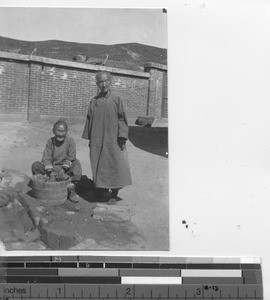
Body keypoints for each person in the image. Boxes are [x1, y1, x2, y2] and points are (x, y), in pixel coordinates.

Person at [82, 71, 132, 204]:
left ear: (110, 82)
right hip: (97, 139)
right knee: (98, 164)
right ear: (97, 84)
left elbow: (122, 118)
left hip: (113, 139)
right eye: (100, 82)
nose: (103, 84)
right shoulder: (94, 101)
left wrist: (122, 136)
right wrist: (90, 139)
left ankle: (114, 194)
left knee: (115, 163)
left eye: (106, 81)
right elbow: (89, 120)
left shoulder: (116, 99)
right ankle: (100, 191)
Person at [32, 119, 82, 203]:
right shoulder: (50, 141)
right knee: (36, 165)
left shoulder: (70, 141)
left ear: (66, 131)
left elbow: (71, 157)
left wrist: (63, 171)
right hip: (52, 169)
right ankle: (41, 188)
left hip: (65, 170)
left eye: (63, 131)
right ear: (53, 131)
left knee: (76, 164)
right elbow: (46, 158)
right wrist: (51, 174)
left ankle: (71, 191)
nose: (61, 134)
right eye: (58, 131)